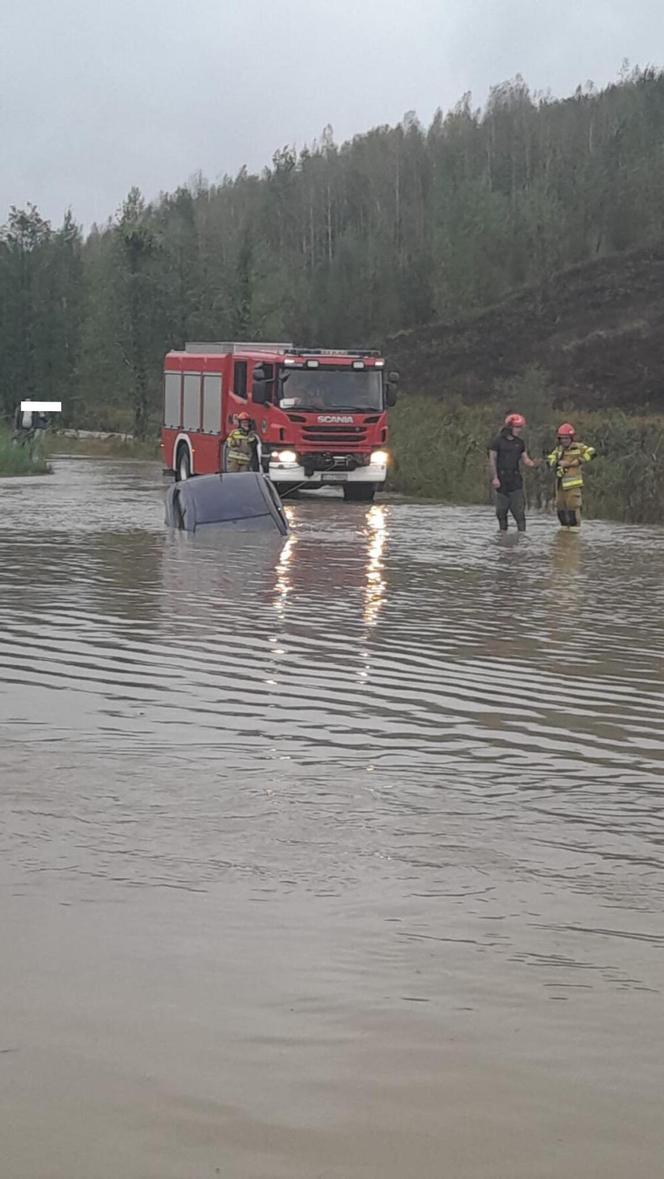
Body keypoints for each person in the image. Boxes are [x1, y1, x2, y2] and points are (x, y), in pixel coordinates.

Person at [488, 413, 539, 532]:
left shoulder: (520, 443)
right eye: (517, 427)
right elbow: (492, 460)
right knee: (501, 512)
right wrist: (495, 478)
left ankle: (522, 535)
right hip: (501, 479)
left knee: (519, 512)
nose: (519, 430)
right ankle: (502, 534)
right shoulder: (497, 442)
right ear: (510, 427)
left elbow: (525, 459)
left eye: (521, 427)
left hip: (515, 480)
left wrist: (533, 464)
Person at [546, 423, 595, 530]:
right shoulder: (558, 450)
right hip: (560, 486)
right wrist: (557, 462)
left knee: (573, 511)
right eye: (562, 438)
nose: (564, 441)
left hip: (573, 487)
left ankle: (574, 536)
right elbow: (550, 458)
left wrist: (577, 462)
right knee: (561, 510)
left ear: (571, 438)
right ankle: (563, 537)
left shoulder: (579, 447)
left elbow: (592, 452)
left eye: (566, 438)